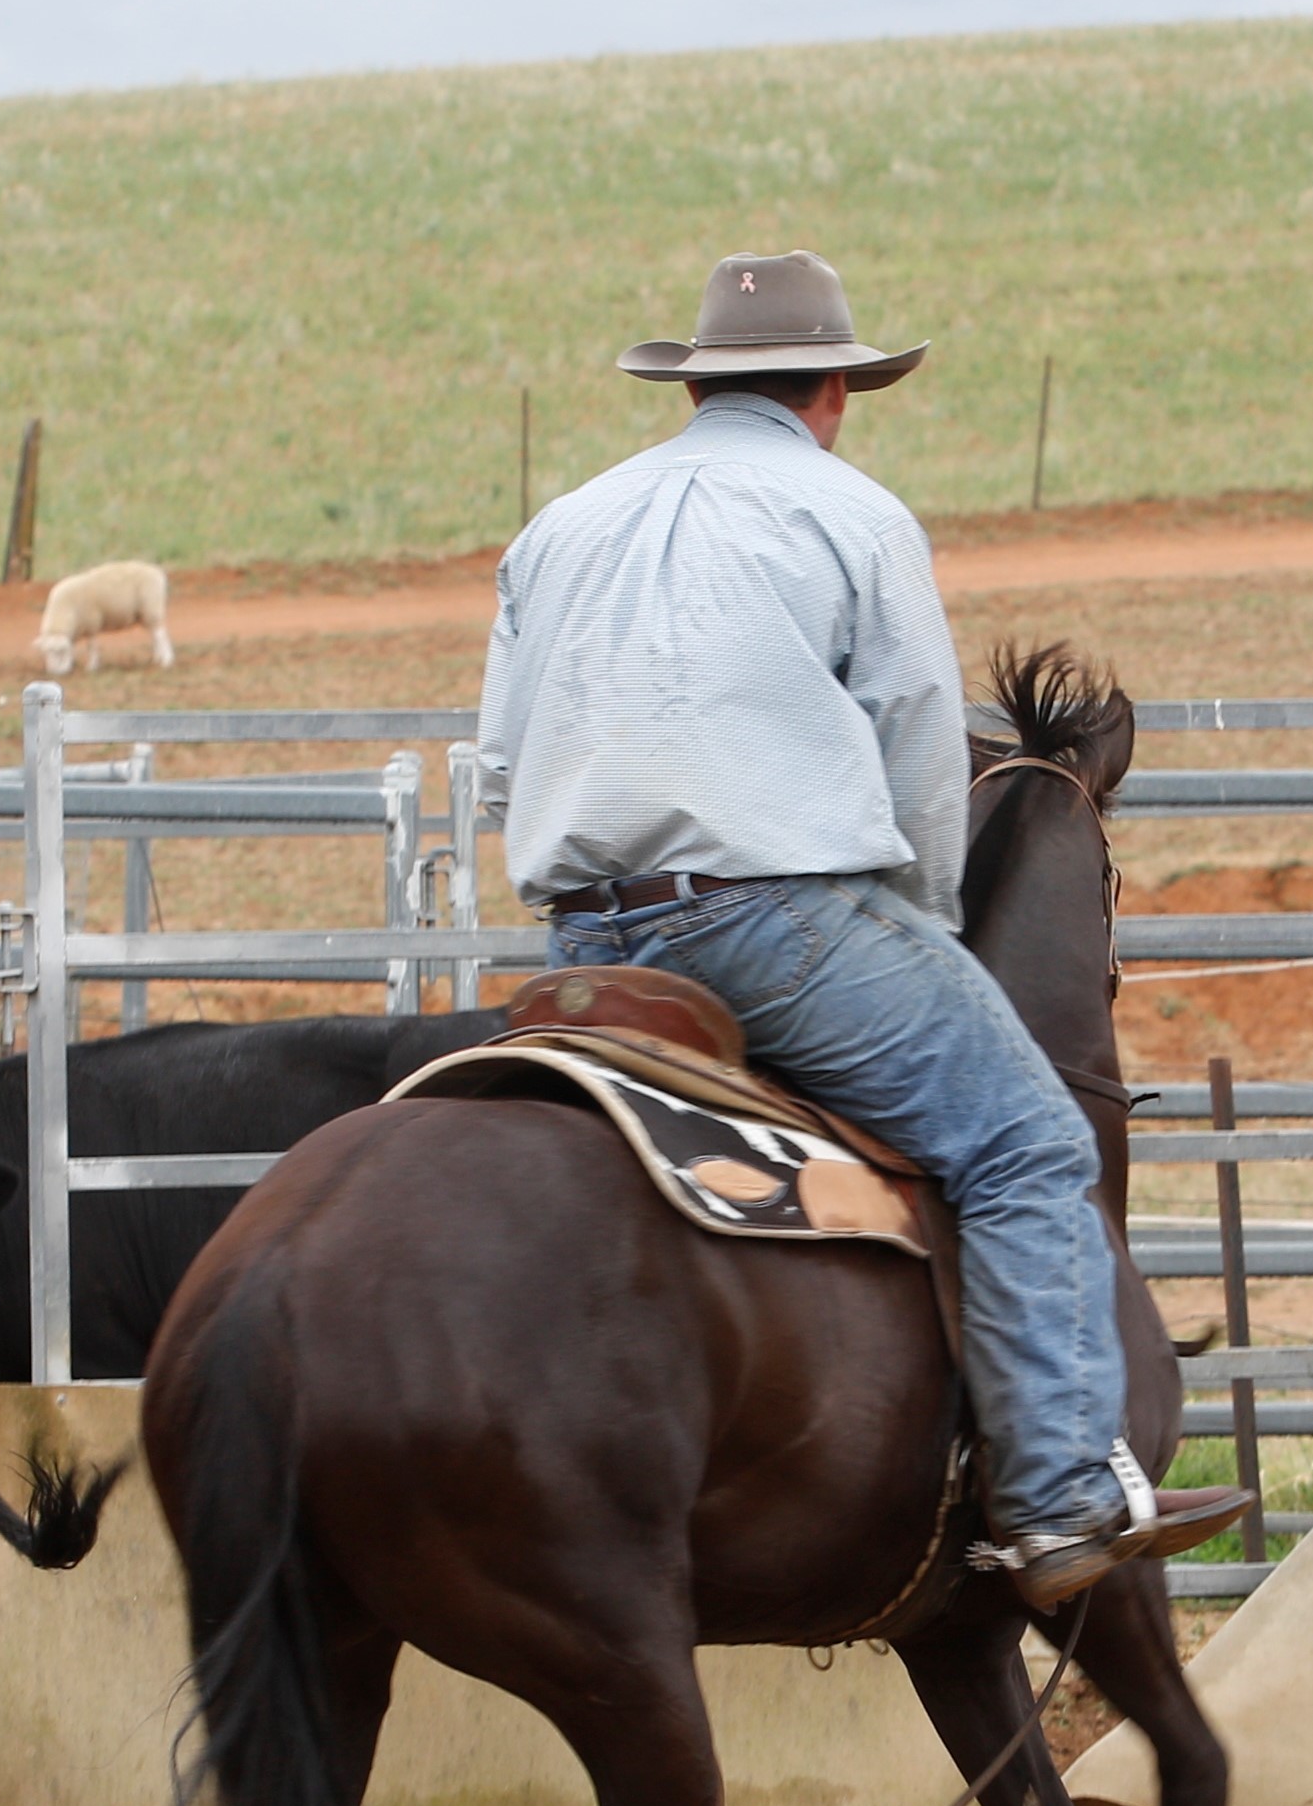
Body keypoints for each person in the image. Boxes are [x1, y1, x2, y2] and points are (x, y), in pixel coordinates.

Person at [475, 247, 1248, 1611]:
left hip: (584, 948)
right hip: (772, 928)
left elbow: (495, 768)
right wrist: (926, 929)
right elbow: (916, 758)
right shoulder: (853, 514)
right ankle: (1057, 1492)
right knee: (1026, 1138)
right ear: (834, 390)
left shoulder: (556, 528)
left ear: (695, 387)